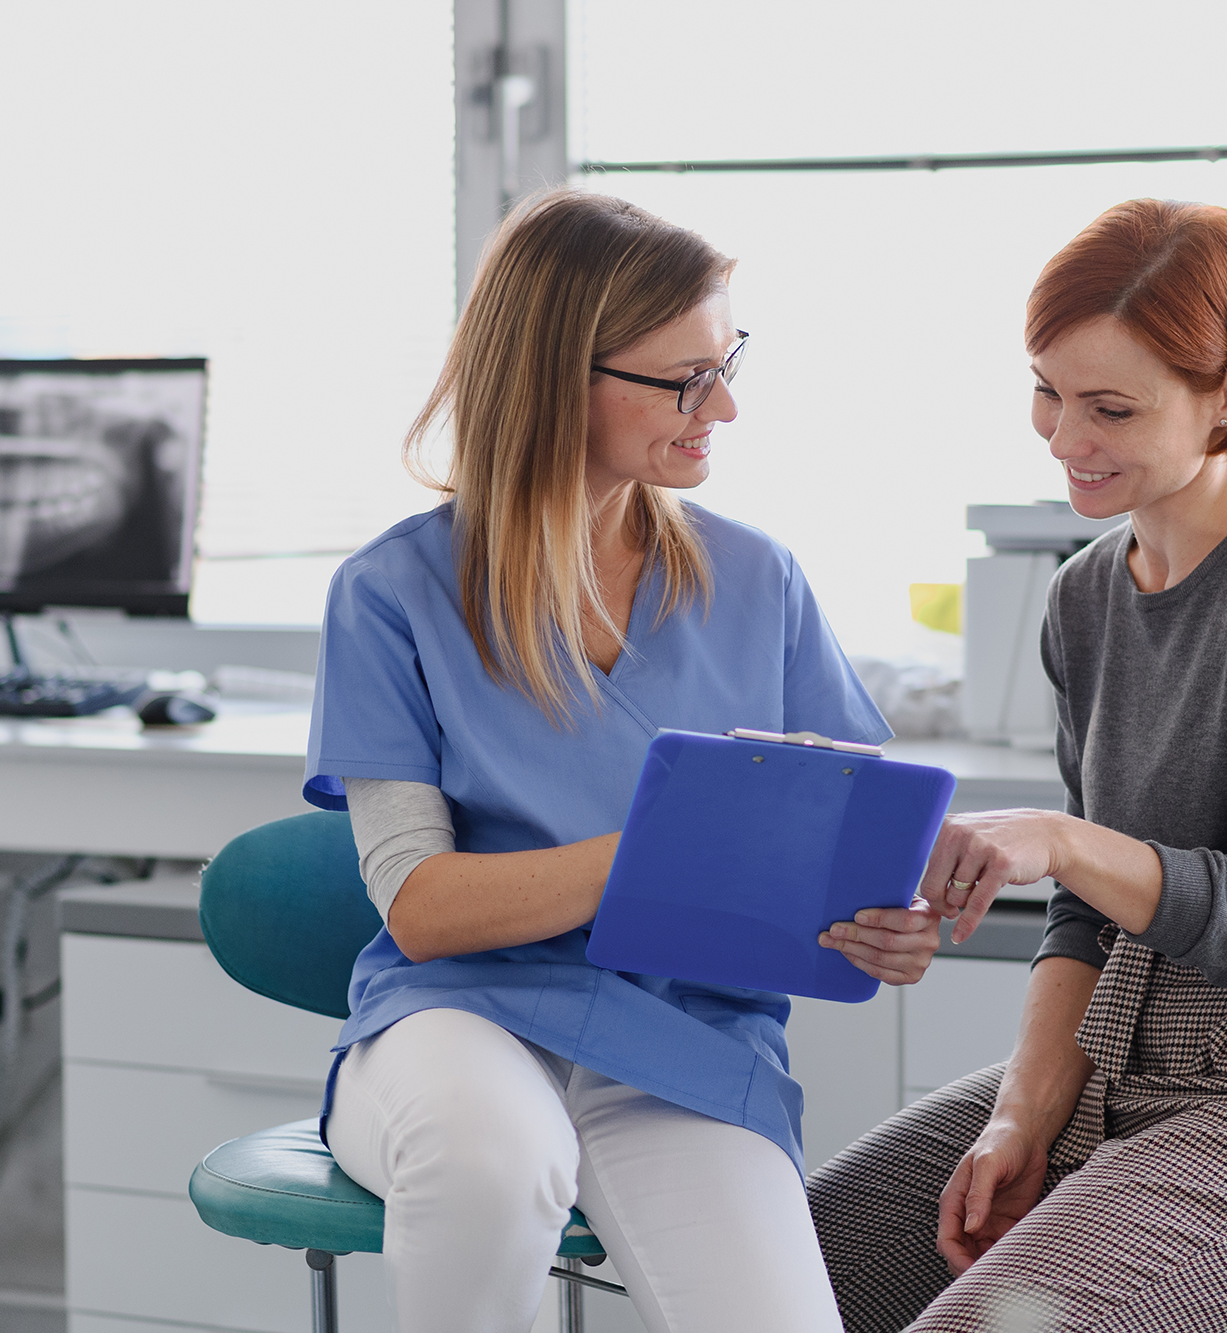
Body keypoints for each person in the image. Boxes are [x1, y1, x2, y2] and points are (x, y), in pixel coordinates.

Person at [806, 198, 1227, 1333]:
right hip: (1132, 1053)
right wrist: (1021, 1113)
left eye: (1109, 407)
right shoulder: (1082, 595)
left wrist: (1065, 838)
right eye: (1045, 392)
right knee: (782, 1271)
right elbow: (1086, 919)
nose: (1064, 439)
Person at [300, 188, 942, 1333]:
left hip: (686, 1039)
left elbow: (831, 859)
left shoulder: (760, 583)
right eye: (686, 377)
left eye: (727, 361)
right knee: (490, 1169)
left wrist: (880, 921)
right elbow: (424, 910)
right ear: (558, 377)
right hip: (459, 1018)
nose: (726, 405)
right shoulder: (393, 594)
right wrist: (673, 846)